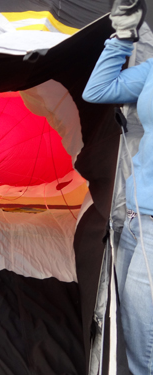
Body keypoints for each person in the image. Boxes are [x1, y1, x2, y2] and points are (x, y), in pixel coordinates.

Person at [82, 0, 150, 373]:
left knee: (145, 346)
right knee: (129, 325)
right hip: (135, 217)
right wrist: (123, 38)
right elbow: (98, 91)